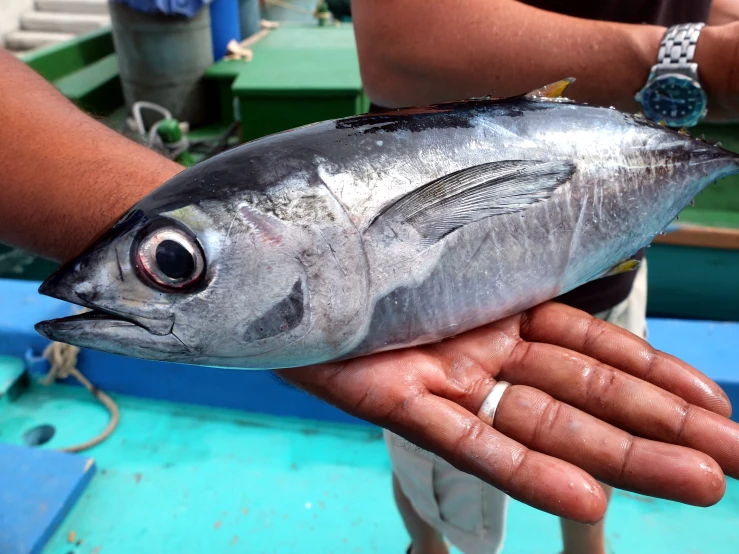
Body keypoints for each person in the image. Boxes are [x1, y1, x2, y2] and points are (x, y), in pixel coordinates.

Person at [2, 39, 739, 546]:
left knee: (589, 457)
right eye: (174, 262)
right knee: (443, 463)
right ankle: (433, 545)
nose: (166, 276)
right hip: (446, 321)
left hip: (598, 256)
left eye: (172, 263)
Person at [351, 1, 739, 552]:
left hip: (609, 235)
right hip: (426, 293)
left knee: (594, 458)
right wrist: (701, 64)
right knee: (433, 474)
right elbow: (397, 44)